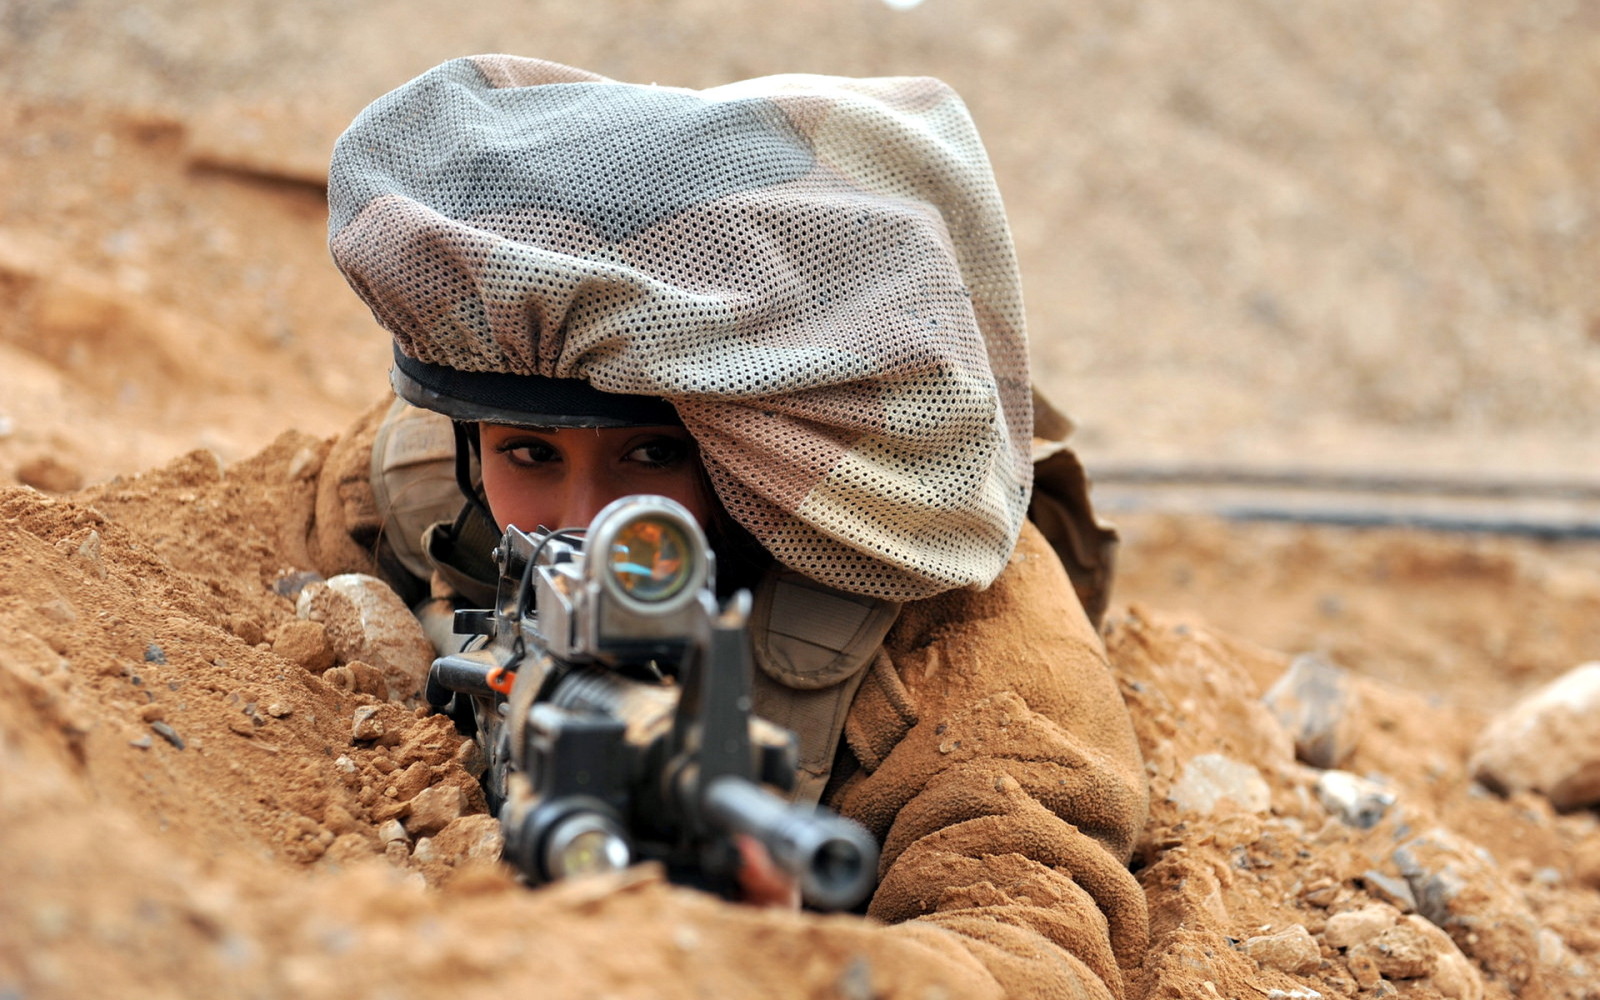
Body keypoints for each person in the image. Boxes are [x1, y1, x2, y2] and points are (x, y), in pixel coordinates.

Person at [322, 54, 1148, 999]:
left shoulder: (957, 614)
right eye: (530, 456)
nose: (590, 524)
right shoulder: (430, 482)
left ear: (757, 446)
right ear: (471, 445)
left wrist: (784, 963)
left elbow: (1032, 921)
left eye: (652, 457)